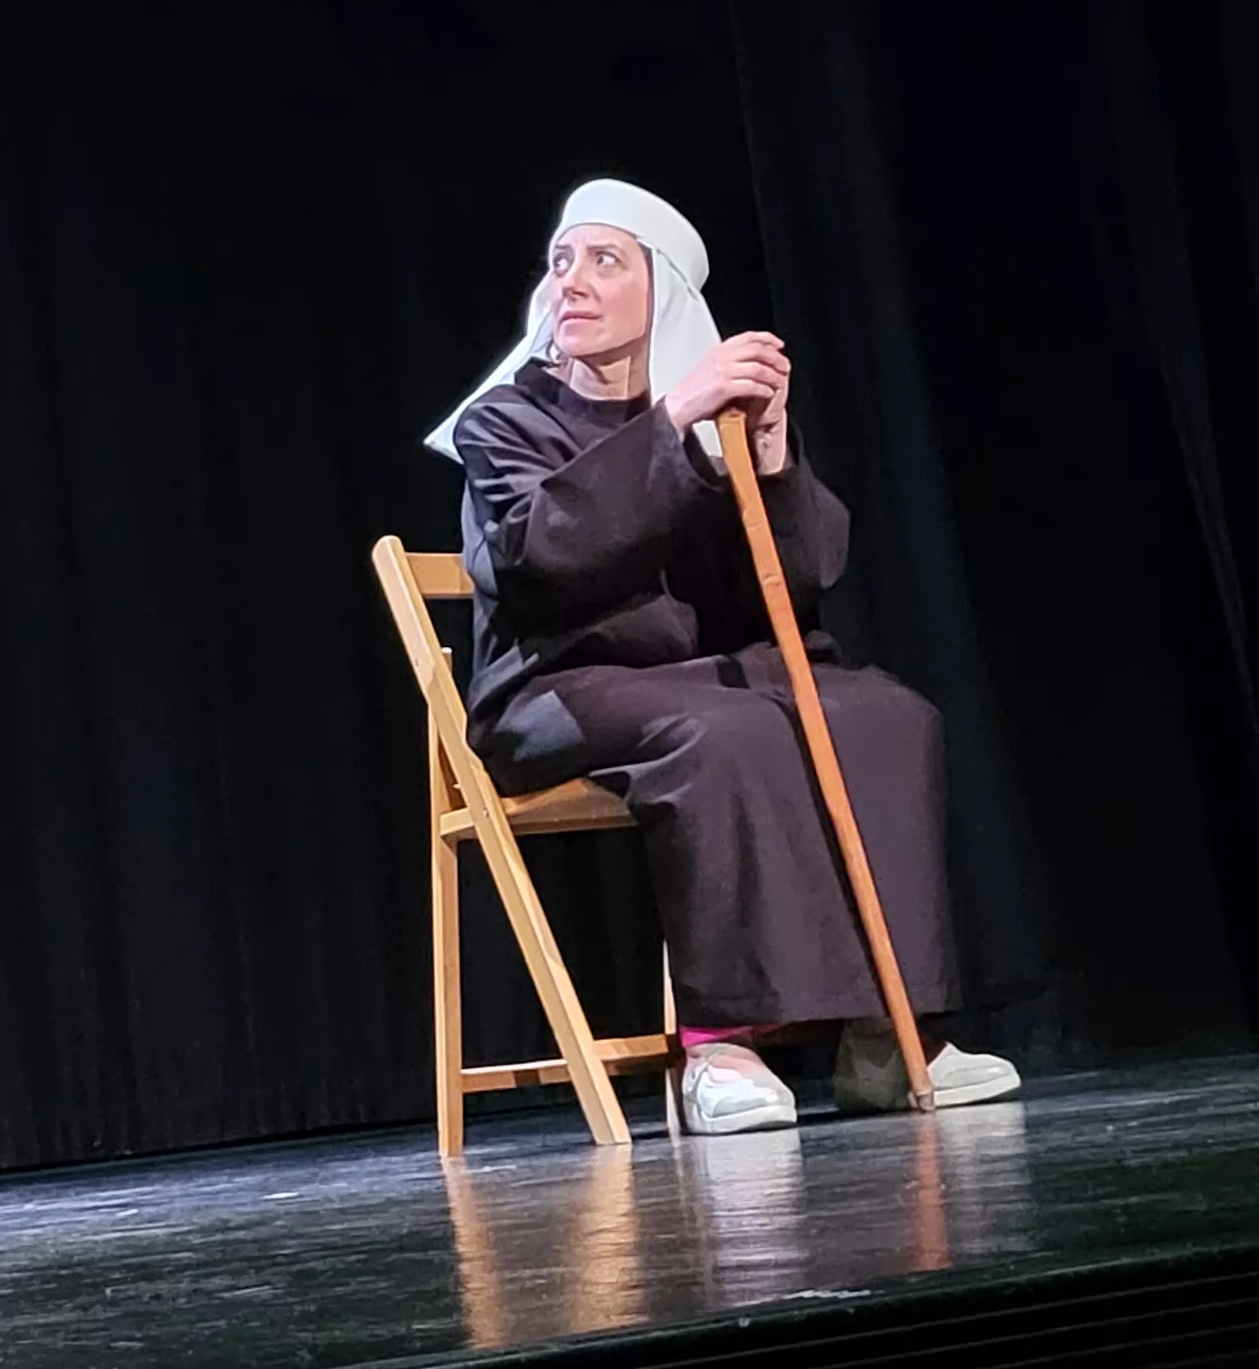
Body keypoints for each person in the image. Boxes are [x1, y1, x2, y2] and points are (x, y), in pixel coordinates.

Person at [428, 180, 1021, 1135]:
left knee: (884, 715)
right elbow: (542, 555)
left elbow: (798, 575)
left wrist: (773, 458)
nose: (570, 283)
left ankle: (885, 1036)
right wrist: (672, 434)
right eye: (561, 263)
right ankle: (722, 1045)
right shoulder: (506, 422)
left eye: (603, 262)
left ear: (661, 294)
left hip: (703, 676)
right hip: (559, 684)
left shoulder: (711, 421)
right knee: (727, 734)